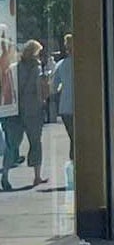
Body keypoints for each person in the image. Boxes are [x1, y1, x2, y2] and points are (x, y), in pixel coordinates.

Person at [1, 40, 49, 190]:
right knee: (35, 143)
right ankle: (36, 176)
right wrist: (43, 100)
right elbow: (40, 89)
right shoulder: (37, 68)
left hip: (15, 110)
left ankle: (5, 175)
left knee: (12, 145)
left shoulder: (14, 68)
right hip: (32, 110)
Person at [52, 35, 75, 141]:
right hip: (82, 106)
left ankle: (73, 157)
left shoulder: (60, 65)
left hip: (65, 106)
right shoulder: (84, 63)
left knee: (72, 137)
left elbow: (53, 87)